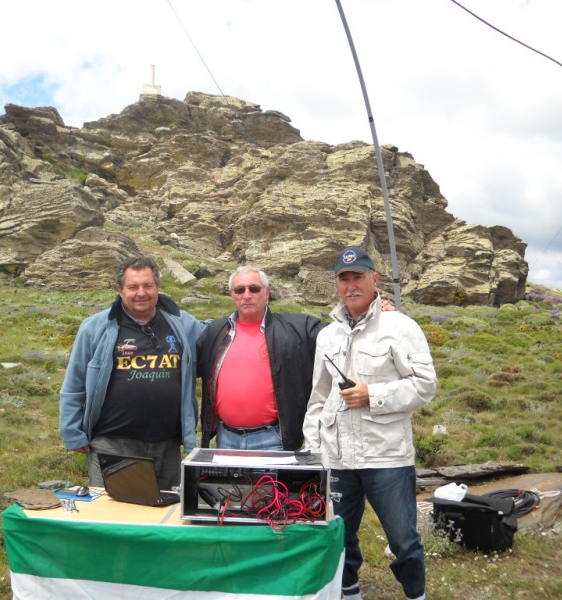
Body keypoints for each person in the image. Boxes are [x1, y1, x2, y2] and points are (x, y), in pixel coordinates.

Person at [302, 247, 436, 600]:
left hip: (386, 456)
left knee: (403, 539)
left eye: (358, 277)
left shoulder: (401, 327)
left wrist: (371, 395)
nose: (351, 285)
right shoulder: (328, 335)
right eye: (344, 278)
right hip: (337, 457)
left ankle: (416, 594)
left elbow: (425, 385)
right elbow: (319, 396)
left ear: (374, 279)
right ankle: (349, 592)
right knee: (339, 534)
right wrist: (314, 448)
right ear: (337, 284)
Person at [59, 256, 206, 490]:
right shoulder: (95, 327)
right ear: (120, 290)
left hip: (167, 445)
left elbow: (219, 336)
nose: (141, 293)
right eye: (133, 287)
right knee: (115, 511)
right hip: (113, 444)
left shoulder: (183, 324)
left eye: (148, 285)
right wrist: (71, 431)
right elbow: (74, 383)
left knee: (165, 510)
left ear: (157, 288)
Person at [197, 266, 324, 451]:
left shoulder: (296, 329)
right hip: (226, 439)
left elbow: (340, 335)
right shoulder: (215, 331)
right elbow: (186, 365)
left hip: (273, 440)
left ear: (267, 293)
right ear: (232, 294)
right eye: (239, 290)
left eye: (254, 289)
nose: (247, 295)